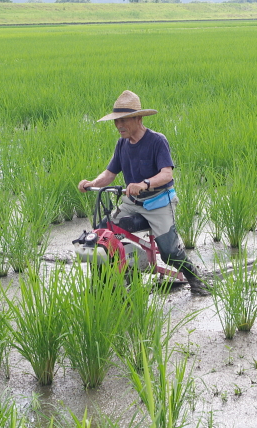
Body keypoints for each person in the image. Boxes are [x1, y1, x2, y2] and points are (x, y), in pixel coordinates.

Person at [78, 90, 209, 296]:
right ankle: (103, 284)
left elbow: (166, 174)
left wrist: (145, 183)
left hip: (158, 203)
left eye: (124, 121)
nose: (119, 126)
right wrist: (91, 183)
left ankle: (196, 278)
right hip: (132, 202)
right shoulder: (122, 144)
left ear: (138, 118)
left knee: (169, 252)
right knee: (101, 237)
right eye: (116, 121)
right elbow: (110, 173)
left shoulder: (157, 141)